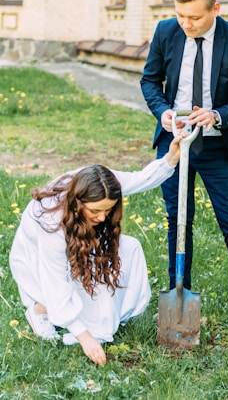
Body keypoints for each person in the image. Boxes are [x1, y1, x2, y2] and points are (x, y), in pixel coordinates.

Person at [140, 0, 228, 341]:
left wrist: (216, 115)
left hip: (216, 146)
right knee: (177, 222)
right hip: (176, 143)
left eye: (194, 18)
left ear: (215, 8)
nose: (186, 24)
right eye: (181, 15)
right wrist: (163, 111)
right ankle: (176, 301)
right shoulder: (167, 31)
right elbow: (150, 81)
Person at [9, 135, 183, 366]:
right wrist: (85, 337)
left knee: (130, 247)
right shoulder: (50, 224)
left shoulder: (101, 182)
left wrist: (170, 159)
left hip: (78, 242)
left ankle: (112, 311)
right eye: (95, 211)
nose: (102, 217)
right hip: (37, 261)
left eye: (108, 210)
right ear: (77, 203)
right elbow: (56, 282)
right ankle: (41, 310)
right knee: (81, 313)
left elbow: (139, 179)